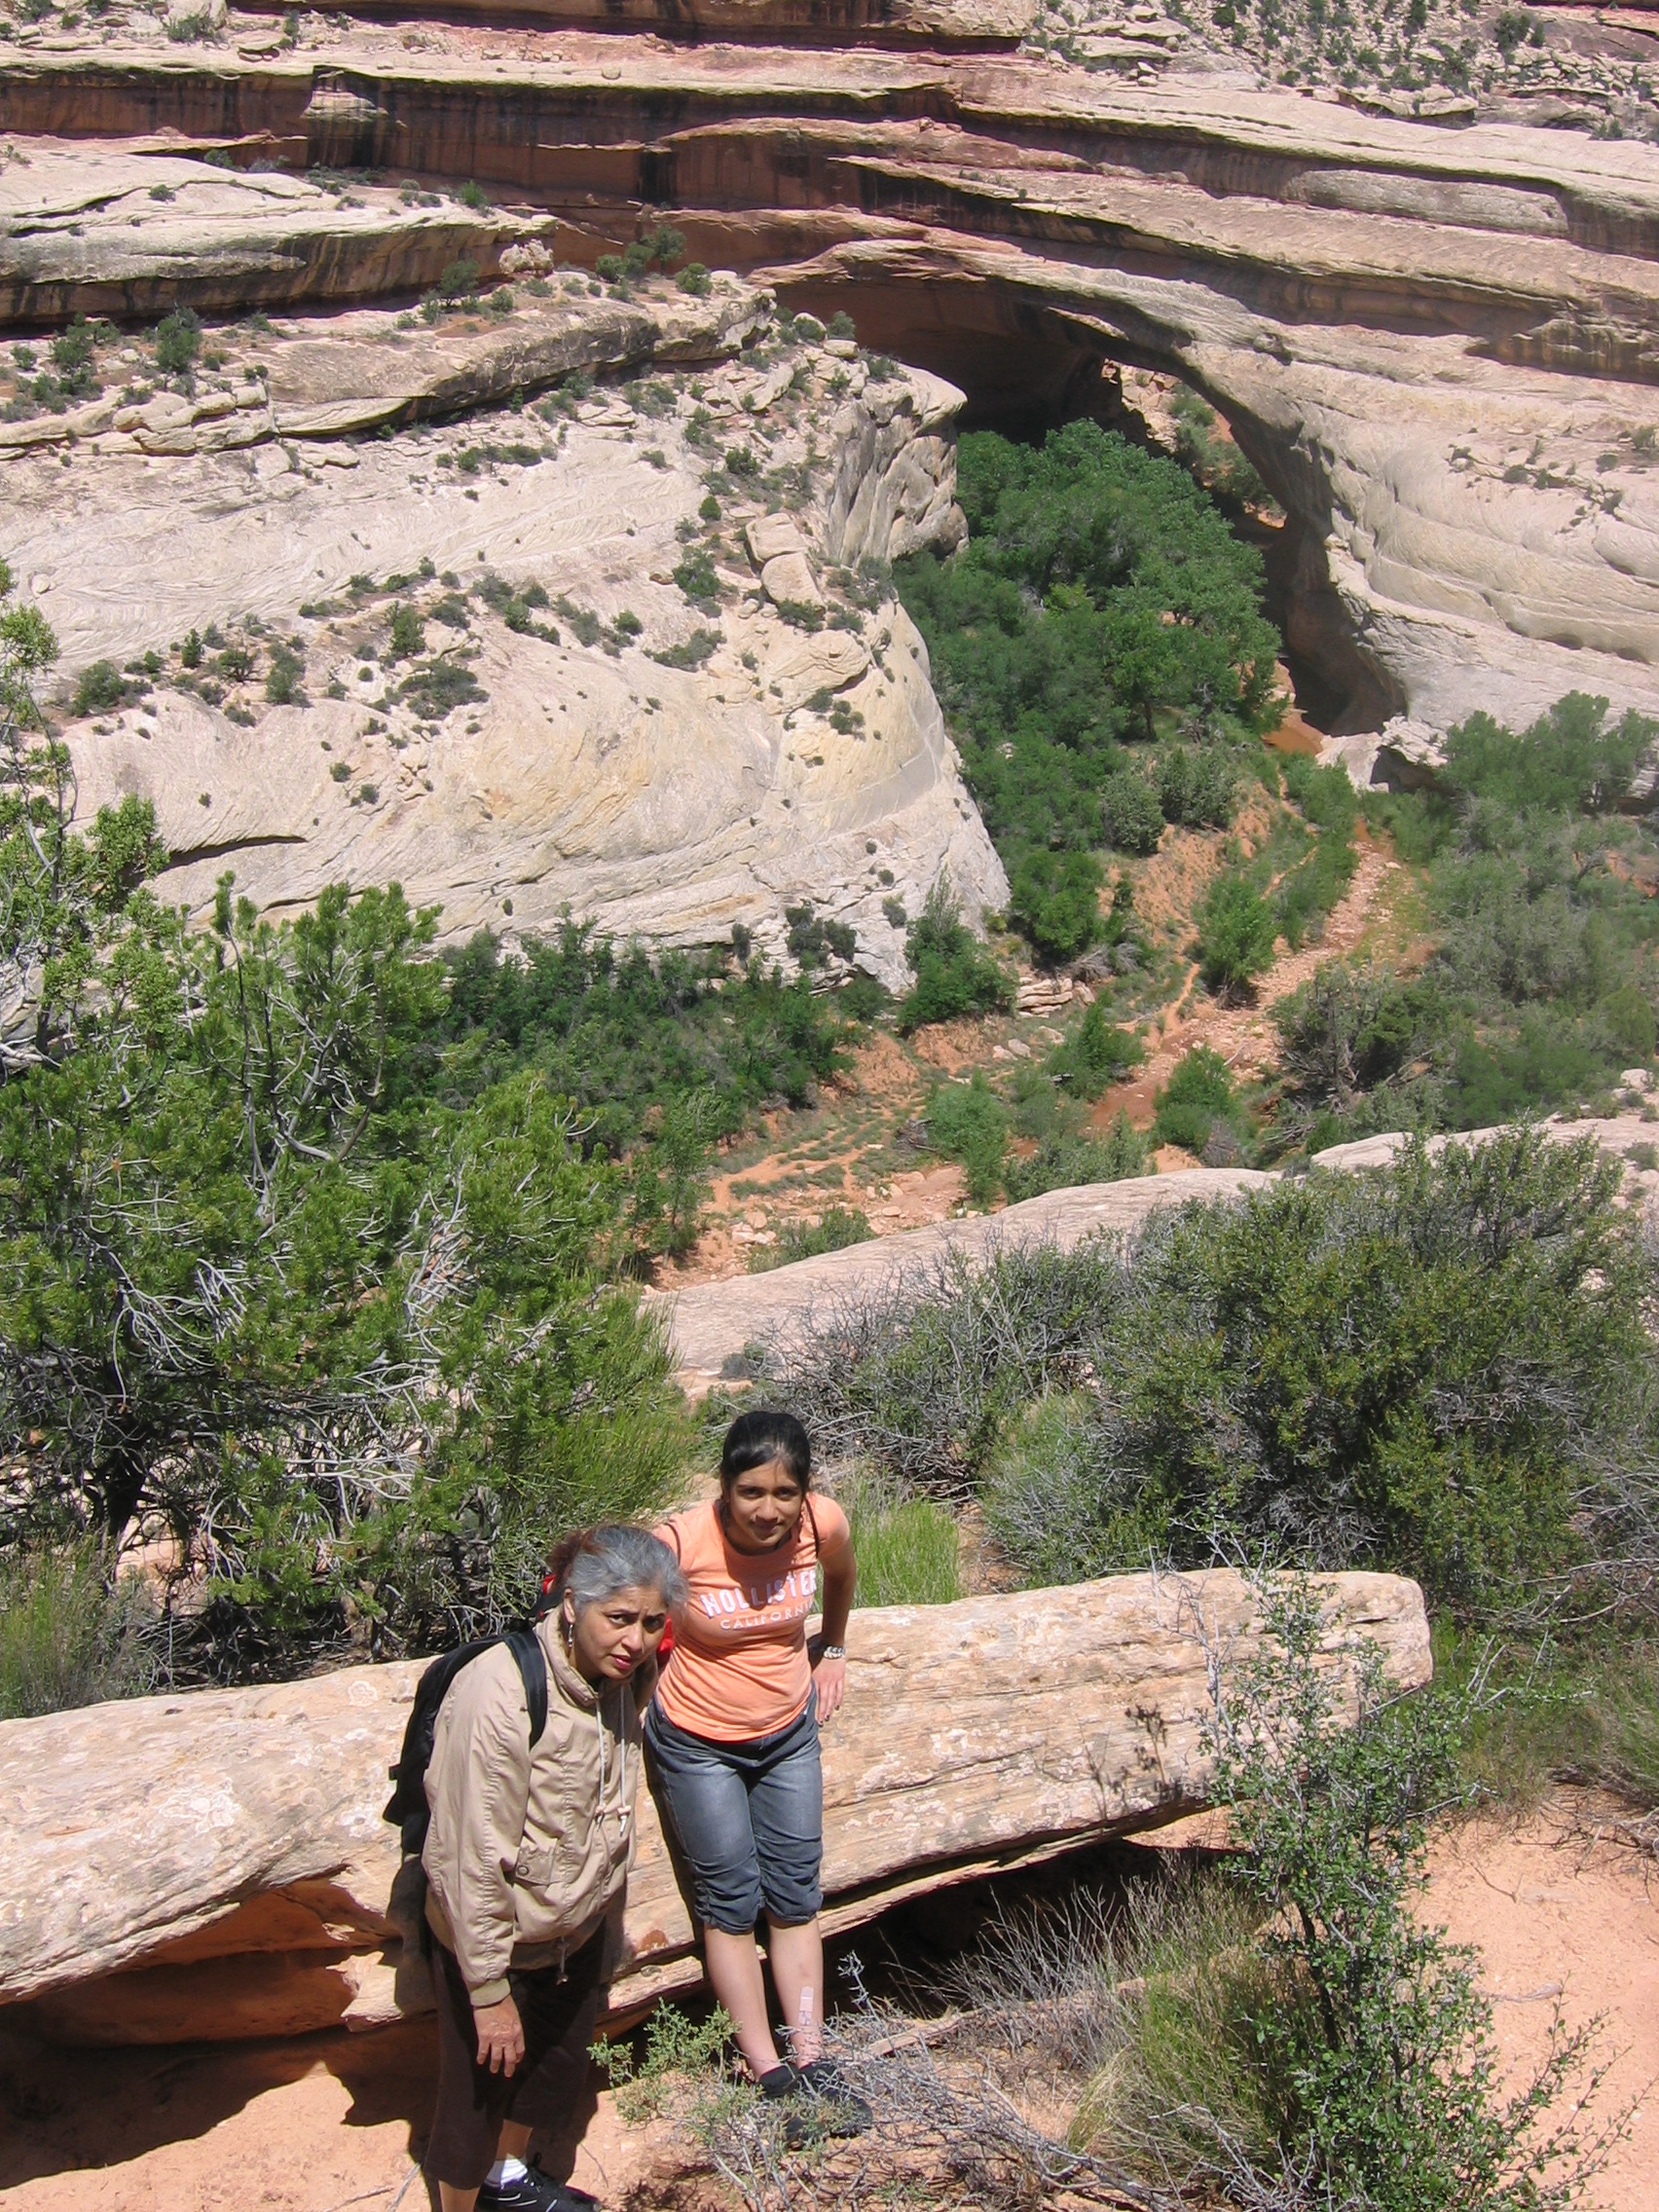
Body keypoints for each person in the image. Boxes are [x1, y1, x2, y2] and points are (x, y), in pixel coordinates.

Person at [422, 1524, 686, 2212]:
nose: (635, 1639)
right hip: (498, 1941)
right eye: (618, 1618)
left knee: (550, 2070)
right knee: (475, 2099)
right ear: (572, 1605)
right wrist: (487, 1990)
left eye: (652, 1622)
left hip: (574, 1929)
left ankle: (507, 2180)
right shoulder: (501, 1692)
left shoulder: (621, 1676)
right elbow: (470, 1858)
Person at [647, 1407, 870, 2132]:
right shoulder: (682, 1541)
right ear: (724, 1487)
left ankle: (811, 2058)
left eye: (784, 1493)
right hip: (698, 1741)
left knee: (796, 1894)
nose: (767, 1510)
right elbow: (610, 1600)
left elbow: (842, 1575)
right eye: (750, 1492)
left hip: (787, 1735)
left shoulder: (821, 1524)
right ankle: (767, 2070)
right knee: (731, 1902)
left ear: (805, 1492)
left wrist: (833, 1648)